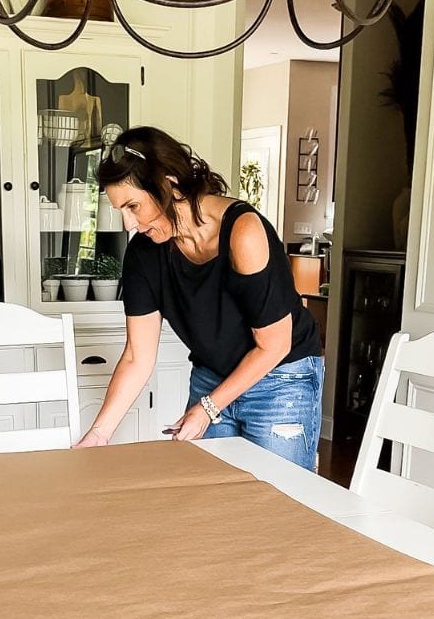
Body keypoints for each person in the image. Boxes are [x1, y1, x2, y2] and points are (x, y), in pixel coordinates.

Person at [74, 127, 324, 470]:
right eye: (120, 210)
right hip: (213, 377)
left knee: (281, 506)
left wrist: (208, 408)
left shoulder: (243, 232)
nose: (128, 223)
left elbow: (275, 345)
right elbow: (137, 356)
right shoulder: (144, 254)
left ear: (169, 184)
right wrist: (99, 435)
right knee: (209, 508)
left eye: (133, 206)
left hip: (280, 381)